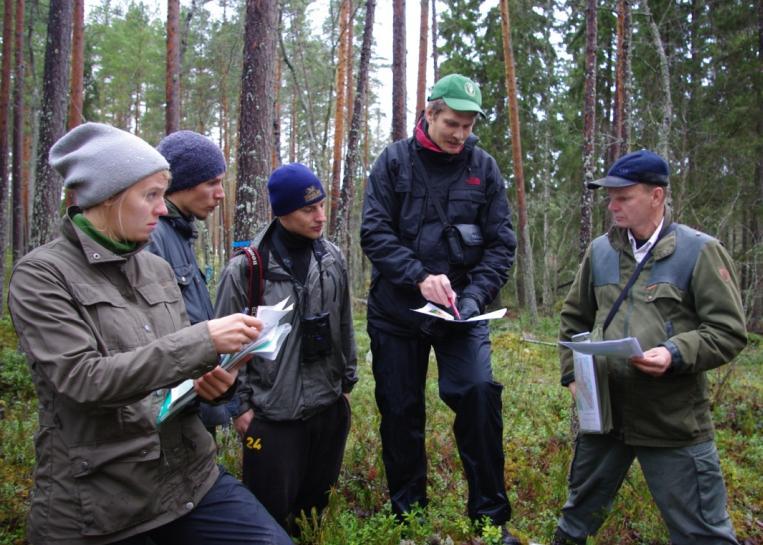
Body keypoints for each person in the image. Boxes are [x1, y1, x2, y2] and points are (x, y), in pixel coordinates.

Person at [8, 122, 293, 545]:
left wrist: (214, 385)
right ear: (108, 196)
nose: (162, 209)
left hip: (190, 480)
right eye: (151, 195)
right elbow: (82, 381)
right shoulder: (42, 276)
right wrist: (203, 341)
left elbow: (174, 372)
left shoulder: (155, 268)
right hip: (100, 503)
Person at [552, 150, 747, 545]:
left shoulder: (699, 251)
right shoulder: (601, 251)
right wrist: (573, 375)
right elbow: (573, 319)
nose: (612, 206)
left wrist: (674, 353)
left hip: (671, 418)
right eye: (610, 197)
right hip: (605, 416)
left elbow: (728, 331)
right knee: (574, 522)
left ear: (657, 196)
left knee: (702, 533)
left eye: (624, 197)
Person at [360, 74, 520, 544]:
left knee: (477, 395)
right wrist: (418, 276)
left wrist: (472, 299)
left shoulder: (484, 168)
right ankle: (409, 519)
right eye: (452, 122)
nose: (460, 134)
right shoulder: (392, 163)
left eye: (469, 126)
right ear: (429, 113)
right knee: (400, 411)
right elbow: (374, 232)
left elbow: (501, 245)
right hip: (397, 313)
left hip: (462, 313)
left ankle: (489, 521)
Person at [215, 163, 357, 534]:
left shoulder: (332, 258)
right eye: (309, 209)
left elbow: (345, 324)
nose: (320, 216)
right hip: (273, 416)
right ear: (281, 212)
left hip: (327, 407)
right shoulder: (247, 270)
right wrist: (241, 408)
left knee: (313, 516)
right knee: (268, 522)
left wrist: (346, 385)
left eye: (322, 206)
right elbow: (223, 348)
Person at [148, 130, 231, 433]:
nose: (220, 193)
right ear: (180, 183)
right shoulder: (152, 237)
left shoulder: (178, 234)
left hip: (193, 402)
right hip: (171, 413)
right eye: (212, 183)